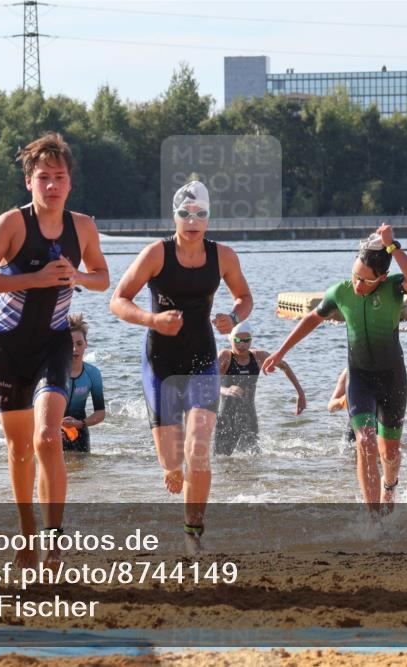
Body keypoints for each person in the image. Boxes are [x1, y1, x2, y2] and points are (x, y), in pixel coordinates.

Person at [0, 132, 109, 567]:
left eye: (59, 177)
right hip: (9, 346)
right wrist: (34, 279)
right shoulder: (12, 224)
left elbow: (102, 277)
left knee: (48, 437)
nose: (52, 185)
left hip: (54, 342)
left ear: (69, 183)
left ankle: (54, 540)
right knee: (19, 449)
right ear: (29, 181)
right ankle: (27, 537)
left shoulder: (81, 226)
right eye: (43, 177)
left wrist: (76, 277)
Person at [110, 180, 253, 553]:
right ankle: (172, 469)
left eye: (201, 214)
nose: (193, 221)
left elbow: (245, 296)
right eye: (185, 214)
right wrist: (151, 320)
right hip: (160, 364)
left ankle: (193, 534)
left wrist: (233, 315)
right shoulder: (156, 254)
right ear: (174, 216)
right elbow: (118, 300)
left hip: (202, 360)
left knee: (199, 448)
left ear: (209, 218)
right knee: (174, 460)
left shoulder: (223, 256)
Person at [263, 224, 407, 511]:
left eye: (364, 280)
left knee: (390, 453)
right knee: (365, 441)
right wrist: (281, 351)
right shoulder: (341, 291)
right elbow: (312, 318)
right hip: (359, 378)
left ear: (381, 278)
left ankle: (390, 486)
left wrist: (393, 247)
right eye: (354, 275)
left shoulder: (394, 286)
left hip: (393, 379)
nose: (357, 284)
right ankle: (373, 517)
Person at [213, 320, 306, 455]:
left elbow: (284, 366)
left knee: (254, 461)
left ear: (251, 340)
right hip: (226, 418)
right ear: (231, 339)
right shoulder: (225, 357)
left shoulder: (259, 357)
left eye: (246, 340)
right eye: (237, 340)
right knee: (222, 461)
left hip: (249, 417)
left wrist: (300, 393)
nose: (242, 344)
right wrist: (226, 390)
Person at [328, 368, 407, 443]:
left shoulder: (388, 369)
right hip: (356, 434)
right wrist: (343, 401)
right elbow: (331, 406)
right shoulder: (350, 371)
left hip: (382, 431)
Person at [61, 313, 106, 453]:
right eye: (69, 344)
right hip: (52, 430)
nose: (75, 349)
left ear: (86, 344)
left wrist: (80, 423)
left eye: (79, 344)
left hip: (80, 431)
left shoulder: (93, 374)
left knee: (83, 472)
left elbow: (100, 412)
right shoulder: (53, 374)